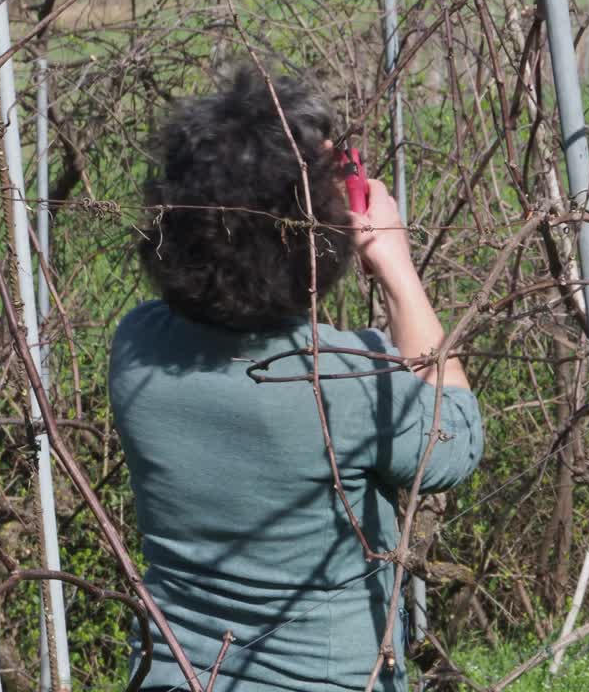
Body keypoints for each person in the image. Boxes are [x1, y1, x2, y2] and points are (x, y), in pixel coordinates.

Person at [108, 66, 485, 691]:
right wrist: (395, 265)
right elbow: (456, 442)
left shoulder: (137, 349)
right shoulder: (347, 381)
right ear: (311, 236)